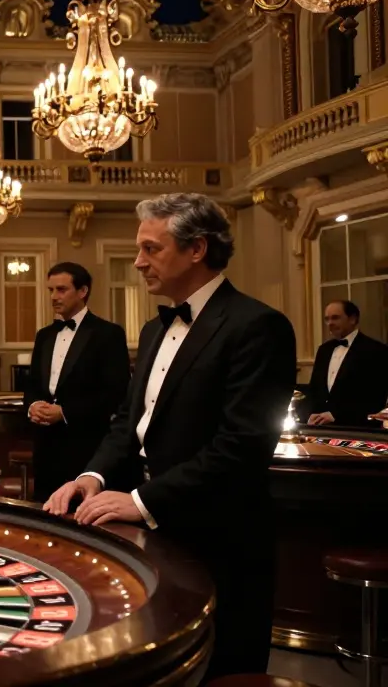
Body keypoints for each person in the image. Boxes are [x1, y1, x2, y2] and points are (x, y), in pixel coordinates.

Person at [43, 192, 295, 681]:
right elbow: (128, 424)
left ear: (197, 249)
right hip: (155, 537)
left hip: (221, 540)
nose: (138, 262)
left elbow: (240, 448)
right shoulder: (155, 329)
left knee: (217, 671)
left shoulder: (258, 326)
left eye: (150, 249)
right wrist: (92, 476)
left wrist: (139, 500)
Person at [23, 262, 131, 502]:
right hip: (45, 446)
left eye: (61, 290)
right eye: (50, 290)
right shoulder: (44, 335)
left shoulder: (108, 334)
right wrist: (32, 406)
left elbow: (116, 393)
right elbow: (32, 384)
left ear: (82, 292)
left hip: (85, 445)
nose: (53, 296)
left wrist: (65, 412)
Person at [304, 299, 388, 426]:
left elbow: (375, 398)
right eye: (327, 319)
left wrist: (336, 415)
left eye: (335, 318)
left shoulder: (376, 350)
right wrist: (310, 414)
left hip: (357, 429)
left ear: (353, 319)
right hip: (320, 429)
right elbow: (314, 389)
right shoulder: (324, 350)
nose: (330, 323)